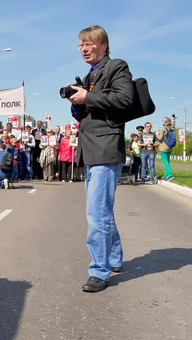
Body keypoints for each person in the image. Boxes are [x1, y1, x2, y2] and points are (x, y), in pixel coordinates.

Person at [68, 24, 134, 292]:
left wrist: (89, 97)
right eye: (81, 44)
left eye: (89, 43)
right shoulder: (89, 75)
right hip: (91, 149)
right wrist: (77, 102)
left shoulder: (117, 66)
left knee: (97, 214)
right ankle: (114, 258)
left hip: (105, 147)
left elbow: (124, 99)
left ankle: (100, 271)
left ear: (103, 45)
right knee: (102, 211)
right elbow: (88, 112)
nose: (84, 48)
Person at [156, 117, 175, 181]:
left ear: (164, 122)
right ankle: (166, 175)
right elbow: (173, 126)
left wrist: (157, 134)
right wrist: (174, 120)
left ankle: (169, 174)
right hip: (169, 147)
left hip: (163, 147)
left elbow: (160, 138)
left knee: (165, 162)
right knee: (168, 162)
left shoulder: (163, 129)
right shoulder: (171, 128)